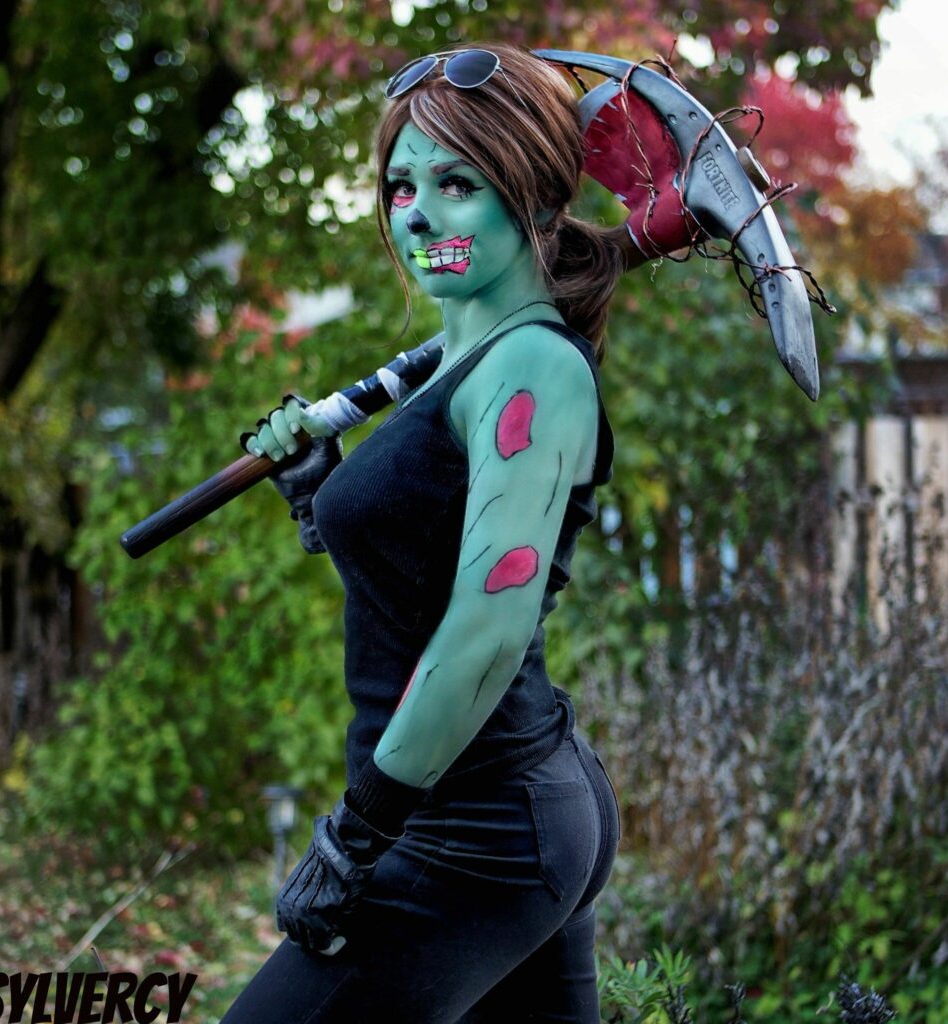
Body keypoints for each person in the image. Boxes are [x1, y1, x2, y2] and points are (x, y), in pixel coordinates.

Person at [223, 43, 623, 1023]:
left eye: (457, 184)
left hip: (473, 830)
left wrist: (357, 834)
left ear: (537, 200)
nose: (417, 214)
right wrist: (323, 496)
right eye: (402, 187)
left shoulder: (534, 369)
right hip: (494, 806)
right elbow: (420, 580)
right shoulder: (463, 358)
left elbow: (486, 630)